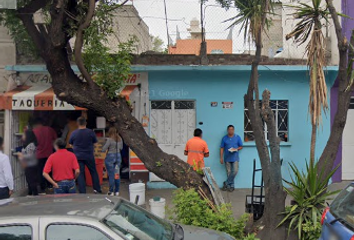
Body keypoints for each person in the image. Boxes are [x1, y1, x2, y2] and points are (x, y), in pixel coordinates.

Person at [69, 117, 102, 194]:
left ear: (77, 123)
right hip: (89, 155)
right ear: (85, 123)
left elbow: (70, 144)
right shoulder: (90, 132)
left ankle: (82, 191)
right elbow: (95, 143)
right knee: (93, 172)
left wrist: (75, 147)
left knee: (80, 173)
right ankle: (97, 189)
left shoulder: (74, 133)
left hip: (78, 156)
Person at [32, 118, 57, 193]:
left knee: (40, 171)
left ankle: (42, 187)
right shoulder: (49, 129)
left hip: (39, 154)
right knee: (49, 170)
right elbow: (55, 139)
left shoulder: (34, 131)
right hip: (49, 154)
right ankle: (50, 185)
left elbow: (32, 143)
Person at [220, 125, 243, 192]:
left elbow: (241, 146)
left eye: (232, 129)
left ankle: (226, 183)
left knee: (235, 171)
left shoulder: (237, 137)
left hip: (235, 157)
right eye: (229, 129)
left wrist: (236, 149)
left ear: (234, 130)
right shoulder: (224, 138)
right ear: (227, 130)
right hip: (227, 157)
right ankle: (231, 186)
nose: (231, 131)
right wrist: (221, 157)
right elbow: (222, 148)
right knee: (229, 172)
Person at [102, 127, 123, 196]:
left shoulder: (109, 140)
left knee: (111, 175)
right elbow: (121, 148)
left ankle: (111, 191)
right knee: (116, 174)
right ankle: (117, 191)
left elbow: (103, 149)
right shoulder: (120, 139)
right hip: (118, 156)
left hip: (110, 157)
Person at [17, 130, 39, 196]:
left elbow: (31, 155)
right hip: (29, 165)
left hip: (31, 165)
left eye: (24, 135)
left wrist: (21, 155)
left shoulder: (31, 145)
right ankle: (31, 193)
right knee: (29, 180)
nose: (23, 136)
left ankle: (34, 194)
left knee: (31, 180)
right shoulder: (27, 144)